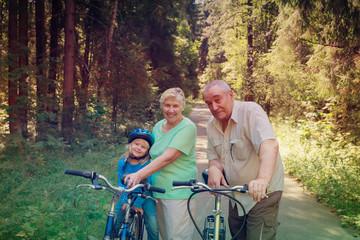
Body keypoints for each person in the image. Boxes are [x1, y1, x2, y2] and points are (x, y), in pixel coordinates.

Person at [203, 80, 284, 240]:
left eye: (217, 100)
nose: (214, 107)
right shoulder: (212, 125)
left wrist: (262, 180)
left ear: (230, 95)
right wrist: (214, 168)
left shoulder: (250, 111)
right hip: (235, 194)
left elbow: (269, 144)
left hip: (263, 195)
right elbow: (215, 157)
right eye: (209, 103)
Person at [125, 87, 197, 240]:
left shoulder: (188, 127)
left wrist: (138, 175)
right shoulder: (158, 126)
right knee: (164, 236)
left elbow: (167, 158)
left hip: (178, 192)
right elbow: (149, 154)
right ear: (162, 106)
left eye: (175, 106)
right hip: (157, 190)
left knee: (178, 237)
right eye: (167, 105)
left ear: (183, 106)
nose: (171, 110)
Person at [115, 128, 158, 240]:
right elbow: (121, 183)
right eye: (136, 144)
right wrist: (124, 200)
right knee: (114, 220)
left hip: (144, 195)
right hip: (127, 193)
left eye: (143, 147)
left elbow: (147, 186)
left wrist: (138, 204)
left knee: (153, 225)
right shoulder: (122, 162)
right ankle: (111, 236)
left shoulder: (148, 164)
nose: (138, 148)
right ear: (130, 144)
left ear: (147, 151)